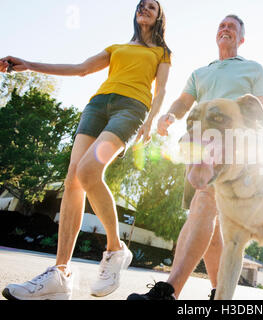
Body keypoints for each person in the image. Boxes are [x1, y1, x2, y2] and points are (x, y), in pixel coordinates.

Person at [0, 0, 171, 300]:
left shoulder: (162, 52)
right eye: (141, 4)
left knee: (89, 170)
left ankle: (116, 248)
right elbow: (80, 69)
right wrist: (29, 64)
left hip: (130, 109)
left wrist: (152, 119)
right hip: (97, 105)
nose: (144, 8)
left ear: (159, 17)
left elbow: (162, 90)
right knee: (72, 181)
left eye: (152, 6)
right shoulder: (116, 47)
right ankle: (60, 273)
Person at [127, 14, 263, 300]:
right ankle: (220, 295)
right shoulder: (200, 73)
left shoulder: (253, 69)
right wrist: (170, 115)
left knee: (203, 204)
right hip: (200, 145)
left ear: (241, 39)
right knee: (204, 220)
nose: (225, 28)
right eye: (221, 25)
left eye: (232, 26)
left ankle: (169, 291)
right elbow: (183, 101)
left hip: (232, 145)